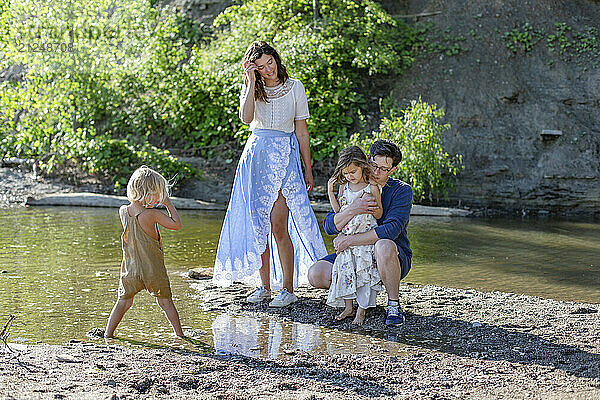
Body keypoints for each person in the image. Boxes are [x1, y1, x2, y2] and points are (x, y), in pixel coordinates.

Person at [213, 41, 327, 307]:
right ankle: (263, 286)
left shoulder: (295, 87)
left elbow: (301, 132)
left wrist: (307, 169)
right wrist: (250, 81)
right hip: (256, 158)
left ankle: (287, 288)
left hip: (285, 158)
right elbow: (245, 118)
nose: (268, 70)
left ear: (276, 59)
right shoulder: (254, 86)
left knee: (279, 225)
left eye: (270, 63)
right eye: (261, 67)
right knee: (259, 227)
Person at [308, 140, 412, 326]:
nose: (377, 172)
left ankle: (394, 305)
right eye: (374, 165)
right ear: (368, 160)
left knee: (384, 245)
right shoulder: (350, 185)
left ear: (393, 170)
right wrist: (353, 209)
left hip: (390, 257)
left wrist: (349, 240)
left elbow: (391, 229)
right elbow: (330, 226)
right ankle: (358, 296)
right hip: (353, 254)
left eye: (384, 169)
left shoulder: (401, 191)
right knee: (316, 274)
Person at [104, 166, 184, 338]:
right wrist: (168, 203)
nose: (160, 197)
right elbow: (177, 225)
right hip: (152, 270)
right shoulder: (153, 214)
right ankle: (180, 335)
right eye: (158, 193)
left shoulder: (123, 211)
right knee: (165, 301)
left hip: (130, 269)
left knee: (124, 302)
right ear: (148, 193)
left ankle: (108, 334)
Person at [326, 146, 383, 325]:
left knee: (364, 274)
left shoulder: (371, 187)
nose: (350, 176)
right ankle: (348, 307)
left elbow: (379, 214)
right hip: (347, 239)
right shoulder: (344, 187)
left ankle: (361, 311)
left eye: (353, 172)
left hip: (363, 238)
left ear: (362, 167)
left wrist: (372, 209)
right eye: (346, 172)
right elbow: (338, 211)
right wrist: (330, 191)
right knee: (345, 272)